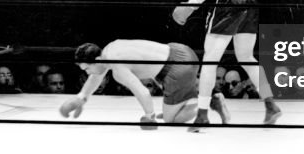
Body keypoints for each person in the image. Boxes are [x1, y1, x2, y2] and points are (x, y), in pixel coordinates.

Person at [172, 0, 280, 130]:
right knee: (246, 57)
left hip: (227, 2)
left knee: (210, 60)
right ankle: (271, 105)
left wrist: (191, 4)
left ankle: (202, 115)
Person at [60, 40, 230, 128]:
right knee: (169, 111)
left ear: (96, 60)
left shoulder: (118, 68)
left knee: (171, 120)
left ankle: (211, 100)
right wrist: (82, 97)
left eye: (87, 68)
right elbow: (97, 75)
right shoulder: (110, 49)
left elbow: (143, 92)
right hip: (180, 51)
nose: (87, 72)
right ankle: (207, 93)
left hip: (176, 70)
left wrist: (149, 117)